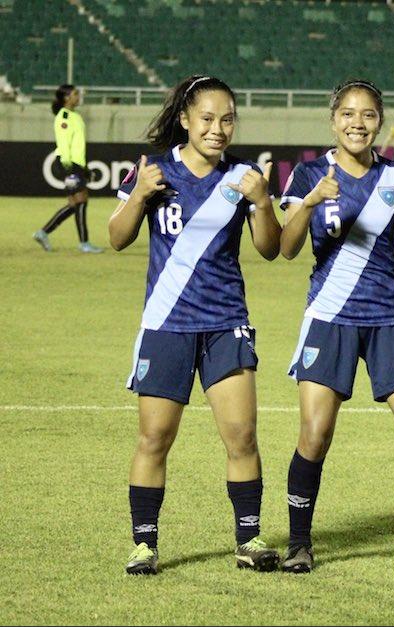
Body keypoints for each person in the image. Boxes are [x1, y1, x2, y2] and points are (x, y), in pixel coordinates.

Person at [109, 75, 283, 575]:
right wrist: (139, 195)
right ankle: (144, 546)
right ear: (185, 119)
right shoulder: (153, 172)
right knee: (154, 439)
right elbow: (117, 237)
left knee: (242, 437)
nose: (218, 128)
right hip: (167, 324)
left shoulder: (244, 176)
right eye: (207, 118)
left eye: (227, 119)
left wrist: (263, 202)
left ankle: (248, 542)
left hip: (226, 323)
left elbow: (269, 249)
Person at [279, 79, 394, 573]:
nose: (358, 123)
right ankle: (298, 543)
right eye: (349, 115)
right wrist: (311, 202)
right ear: (333, 120)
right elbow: (287, 248)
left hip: (389, 316)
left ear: (380, 122)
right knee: (315, 435)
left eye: (368, 115)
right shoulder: (308, 174)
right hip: (330, 316)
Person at [33, 85, 103, 253]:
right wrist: (68, 168)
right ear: (66, 98)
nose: (78, 96)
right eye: (75, 94)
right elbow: (64, 143)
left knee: (74, 204)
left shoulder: (74, 116)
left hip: (76, 164)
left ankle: (43, 233)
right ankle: (84, 243)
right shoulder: (63, 117)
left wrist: (84, 168)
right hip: (68, 164)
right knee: (81, 201)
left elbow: (77, 145)